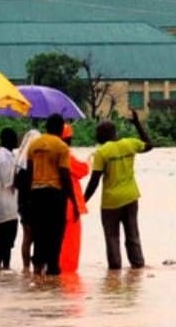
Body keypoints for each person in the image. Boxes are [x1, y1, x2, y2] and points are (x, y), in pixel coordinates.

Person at [84, 109, 155, 270]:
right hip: (131, 197)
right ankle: (138, 266)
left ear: (104, 134)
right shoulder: (130, 143)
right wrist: (137, 124)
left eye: (98, 133)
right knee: (132, 234)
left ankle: (115, 270)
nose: (96, 136)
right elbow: (150, 145)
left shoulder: (102, 153)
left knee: (112, 237)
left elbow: (94, 181)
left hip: (111, 202)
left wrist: (82, 201)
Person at [23, 113, 78, 276]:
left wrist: (27, 198)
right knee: (55, 233)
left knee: (39, 233)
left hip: (36, 194)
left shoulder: (34, 145)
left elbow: (28, 173)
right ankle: (53, 268)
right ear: (61, 128)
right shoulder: (62, 147)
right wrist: (73, 201)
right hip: (55, 195)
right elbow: (65, 175)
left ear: (46, 127)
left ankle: (37, 268)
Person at [59, 123, 89, 274]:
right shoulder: (66, 155)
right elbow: (83, 170)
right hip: (70, 205)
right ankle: (67, 272)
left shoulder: (51, 153)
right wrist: (89, 160)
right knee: (71, 241)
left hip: (55, 203)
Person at [0, 128, 20, 269]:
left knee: (7, 238)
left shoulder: (10, 156)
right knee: (5, 238)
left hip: (10, 205)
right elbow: (8, 180)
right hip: (4, 204)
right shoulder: (2, 158)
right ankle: (0, 266)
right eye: (15, 137)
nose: (17, 140)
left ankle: (3, 269)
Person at [15, 119, 42, 271]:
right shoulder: (37, 162)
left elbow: (16, 185)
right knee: (38, 237)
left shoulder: (20, 163)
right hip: (36, 204)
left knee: (26, 237)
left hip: (23, 204)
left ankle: (26, 268)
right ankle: (37, 268)